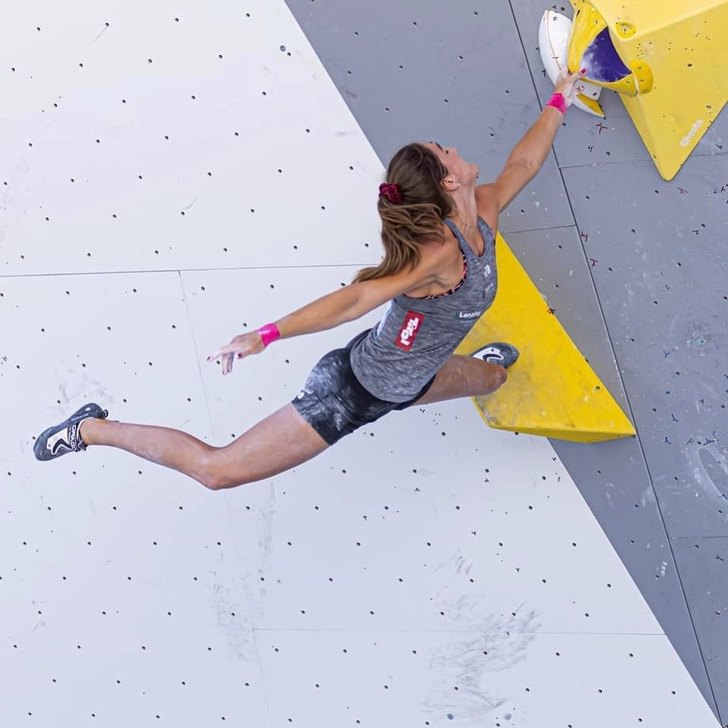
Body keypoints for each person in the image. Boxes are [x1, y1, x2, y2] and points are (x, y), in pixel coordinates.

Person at [34, 72, 585, 489]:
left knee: (493, 382)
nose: (459, 151)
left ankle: (480, 368)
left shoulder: (483, 209)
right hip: (353, 392)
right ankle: (90, 430)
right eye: (449, 152)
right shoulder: (433, 256)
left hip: (413, 376)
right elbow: (356, 300)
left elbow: (524, 164)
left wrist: (561, 97)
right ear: (447, 181)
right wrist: (266, 335)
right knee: (216, 471)